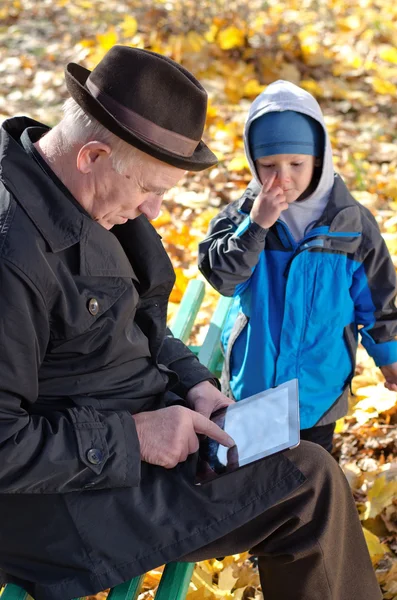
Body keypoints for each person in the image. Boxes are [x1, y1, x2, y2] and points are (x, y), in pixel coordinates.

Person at [0, 47, 382, 600]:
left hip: (122, 435)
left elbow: (141, 320)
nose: (156, 209)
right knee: (309, 484)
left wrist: (193, 382)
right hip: (60, 504)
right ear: (91, 155)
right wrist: (134, 438)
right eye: (150, 189)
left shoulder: (83, 193)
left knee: (290, 457)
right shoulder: (14, 254)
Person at [198, 79, 397, 453]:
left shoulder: (350, 224)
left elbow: (378, 297)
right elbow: (224, 277)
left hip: (318, 389)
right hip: (254, 382)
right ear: (253, 162)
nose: (282, 177)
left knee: (312, 472)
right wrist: (257, 226)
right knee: (251, 469)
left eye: (296, 164)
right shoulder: (242, 217)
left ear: (318, 158)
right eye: (269, 165)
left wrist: (389, 355)